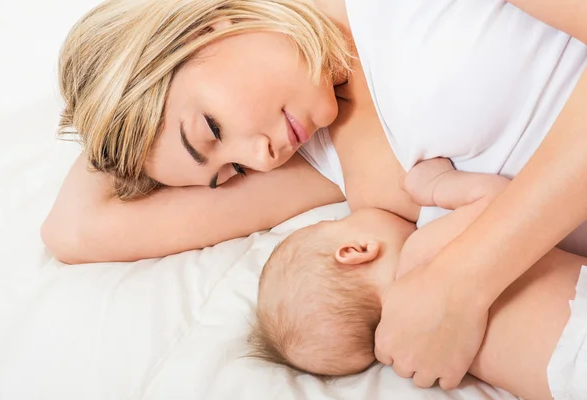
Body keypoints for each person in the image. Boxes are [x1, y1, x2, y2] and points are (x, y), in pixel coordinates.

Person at [41, 0, 587, 395]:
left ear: (206, 29)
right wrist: (114, 115)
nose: (259, 159)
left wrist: (463, 280)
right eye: (229, 169)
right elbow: (75, 231)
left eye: (210, 128)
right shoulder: (316, 152)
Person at [250, 158, 582, 400]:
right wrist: (438, 183)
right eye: (329, 224)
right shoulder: (419, 254)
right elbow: (503, 204)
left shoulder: (430, 352)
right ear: (355, 249)